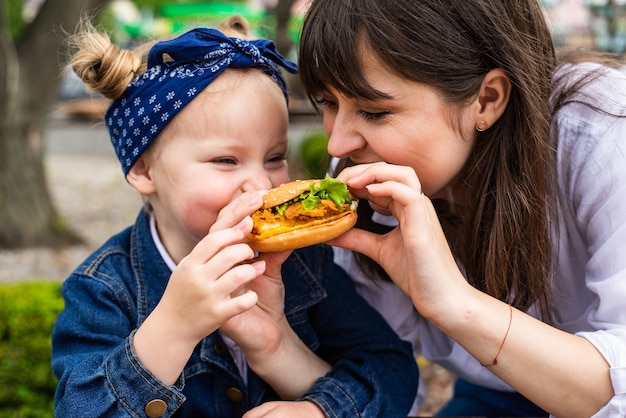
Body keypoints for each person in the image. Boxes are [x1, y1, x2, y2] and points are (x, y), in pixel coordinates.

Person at [51, 16, 419, 418]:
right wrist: (174, 327)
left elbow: (392, 369)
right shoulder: (103, 290)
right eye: (226, 161)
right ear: (143, 169)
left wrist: (317, 404)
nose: (260, 185)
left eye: (275, 158)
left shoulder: (306, 262)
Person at [297, 0, 626, 417]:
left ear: (486, 99)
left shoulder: (606, 135)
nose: (337, 144)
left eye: (375, 112)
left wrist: (455, 303)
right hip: (494, 392)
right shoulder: (361, 171)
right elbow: (381, 366)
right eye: (328, 103)